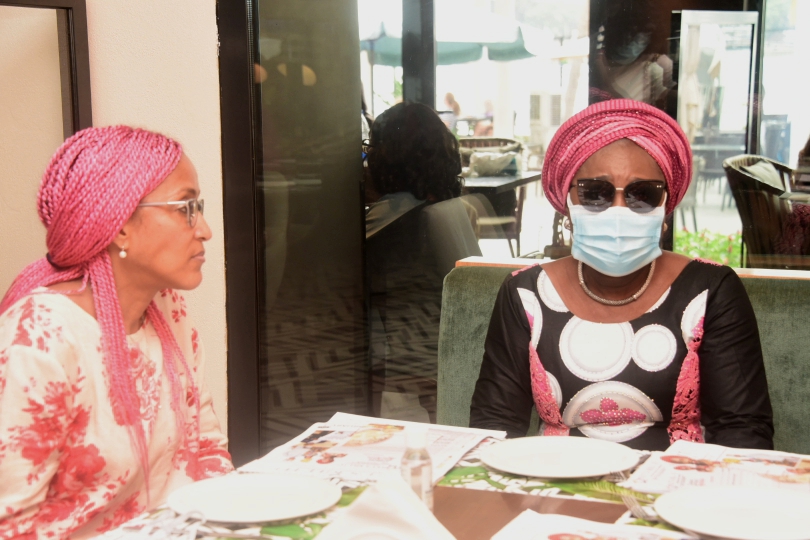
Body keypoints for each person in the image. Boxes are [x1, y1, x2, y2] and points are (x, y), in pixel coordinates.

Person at [470, 99, 773, 451]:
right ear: (567, 205)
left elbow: (742, 431)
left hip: (677, 478)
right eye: (594, 193)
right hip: (557, 476)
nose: (618, 211)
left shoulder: (710, 291)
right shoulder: (525, 294)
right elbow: (495, 425)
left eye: (642, 195)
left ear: (665, 209)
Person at [0, 126, 233, 538]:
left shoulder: (168, 310)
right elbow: (10, 525)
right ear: (121, 226)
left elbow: (206, 448)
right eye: (185, 208)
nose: (204, 230)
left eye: (199, 207)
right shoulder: (37, 342)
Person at [365, 102, 480, 421]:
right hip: (457, 344)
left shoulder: (389, 224)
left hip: (408, 358)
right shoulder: (453, 208)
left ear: (385, 158)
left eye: (370, 147)